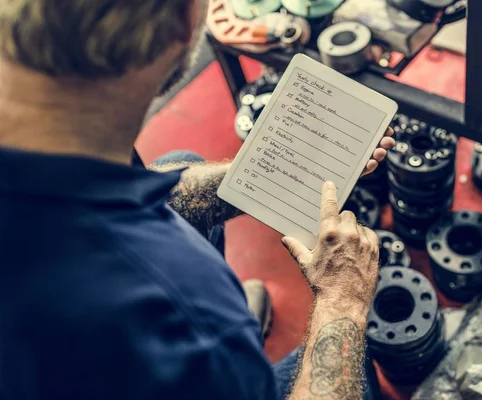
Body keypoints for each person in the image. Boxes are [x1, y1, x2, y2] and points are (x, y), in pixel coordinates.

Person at [0, 1, 396, 399]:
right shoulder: (189, 312)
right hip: (169, 352)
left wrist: (274, 170)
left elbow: (126, 192)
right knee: (354, 361)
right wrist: (342, 301)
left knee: (178, 165)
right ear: (182, 27)